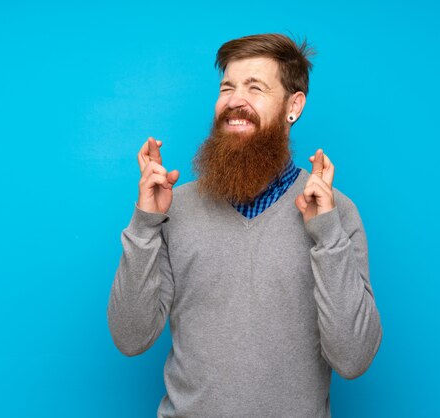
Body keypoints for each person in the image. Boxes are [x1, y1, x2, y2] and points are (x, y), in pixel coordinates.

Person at [107, 33, 382, 417]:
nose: (236, 101)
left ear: (293, 105)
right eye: (227, 88)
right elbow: (130, 337)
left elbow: (353, 359)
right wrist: (144, 224)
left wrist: (327, 235)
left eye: (255, 88)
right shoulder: (176, 207)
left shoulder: (335, 213)